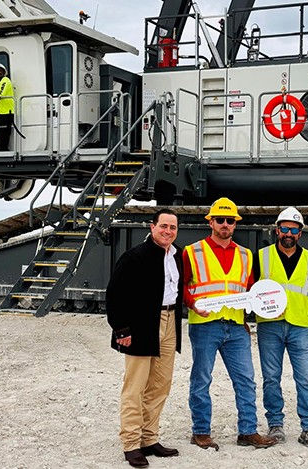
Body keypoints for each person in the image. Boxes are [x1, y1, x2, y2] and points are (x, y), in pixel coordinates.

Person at [183, 197, 277, 450]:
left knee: (246, 380)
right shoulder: (192, 251)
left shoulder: (246, 255)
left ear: (235, 224)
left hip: (236, 327)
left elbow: (249, 292)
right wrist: (193, 305)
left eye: (230, 221)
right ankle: (200, 431)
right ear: (211, 222)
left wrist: (250, 315)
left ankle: (247, 431)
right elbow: (183, 287)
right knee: (201, 379)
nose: (225, 224)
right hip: (205, 326)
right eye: (220, 220)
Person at [106, 208, 183, 468]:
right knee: (135, 387)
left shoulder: (177, 255)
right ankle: (131, 444)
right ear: (152, 227)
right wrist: (122, 330)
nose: (168, 231)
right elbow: (115, 295)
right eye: (163, 226)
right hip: (141, 325)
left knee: (160, 384)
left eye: (173, 227)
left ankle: (150, 439)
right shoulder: (134, 257)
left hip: (170, 322)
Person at [254, 207, 308, 449]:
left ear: (300, 233)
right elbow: (250, 289)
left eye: (293, 229)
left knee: (305, 379)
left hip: (299, 326)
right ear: (277, 230)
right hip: (270, 326)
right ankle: (275, 425)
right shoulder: (262, 256)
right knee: (271, 378)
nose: (288, 233)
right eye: (284, 228)